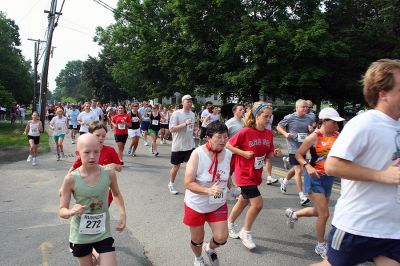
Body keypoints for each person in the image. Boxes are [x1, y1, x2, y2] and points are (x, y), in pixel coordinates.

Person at [312, 59, 400, 266]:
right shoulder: (364, 123)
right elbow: (332, 165)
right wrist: (381, 175)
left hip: (393, 229)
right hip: (358, 226)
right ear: (383, 93)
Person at [58, 133, 126, 266]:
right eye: (87, 152)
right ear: (78, 153)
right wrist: (71, 211)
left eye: (96, 152)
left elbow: (116, 194)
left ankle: (95, 252)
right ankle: (94, 254)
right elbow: (62, 210)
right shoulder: (71, 179)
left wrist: (123, 214)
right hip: (80, 235)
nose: (92, 156)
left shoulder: (109, 173)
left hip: (102, 232)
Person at [285, 107, 344, 259]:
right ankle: (320, 245)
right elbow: (298, 155)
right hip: (314, 178)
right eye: (334, 122)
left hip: (328, 178)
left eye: (338, 123)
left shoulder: (338, 136)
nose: (337, 125)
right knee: (325, 214)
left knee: (319, 211)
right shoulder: (314, 137)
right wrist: (307, 166)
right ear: (324, 122)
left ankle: (294, 214)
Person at [226, 102, 275, 250]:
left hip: (256, 173)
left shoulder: (269, 133)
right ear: (257, 116)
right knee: (257, 204)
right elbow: (228, 145)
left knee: (243, 201)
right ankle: (245, 232)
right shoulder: (245, 131)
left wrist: (274, 153)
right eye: (265, 116)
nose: (268, 119)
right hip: (244, 174)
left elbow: (269, 153)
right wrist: (242, 153)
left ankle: (229, 223)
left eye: (270, 117)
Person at [183, 121, 232, 266]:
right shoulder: (197, 154)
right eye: (219, 137)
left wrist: (232, 186)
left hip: (217, 203)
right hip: (196, 204)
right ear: (209, 137)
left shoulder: (228, 154)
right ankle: (198, 258)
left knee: (222, 237)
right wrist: (207, 190)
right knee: (197, 240)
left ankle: (209, 248)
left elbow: (226, 174)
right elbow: (188, 182)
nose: (223, 140)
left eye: (226, 137)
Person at [277, 99, 314, 206]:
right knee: (299, 170)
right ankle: (302, 196)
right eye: (303, 107)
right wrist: (285, 133)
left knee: (296, 168)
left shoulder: (310, 117)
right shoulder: (290, 117)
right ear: (297, 108)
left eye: (307, 107)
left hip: (302, 147)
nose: (306, 109)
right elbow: (279, 126)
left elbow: (312, 128)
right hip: (293, 147)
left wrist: (311, 130)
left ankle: (285, 180)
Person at [168, 95, 196, 195]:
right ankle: (171, 183)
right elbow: (171, 129)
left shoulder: (192, 114)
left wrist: (194, 131)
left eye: (191, 101)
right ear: (183, 102)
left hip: (190, 144)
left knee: (192, 166)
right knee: (176, 166)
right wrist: (185, 124)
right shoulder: (176, 114)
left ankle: (191, 186)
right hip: (178, 145)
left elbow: (192, 126)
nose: (190, 103)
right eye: (188, 101)